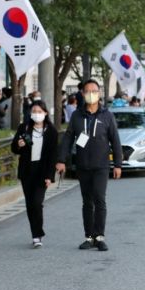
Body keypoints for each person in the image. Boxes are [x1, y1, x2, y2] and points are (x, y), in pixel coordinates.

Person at [56, 79, 123, 252]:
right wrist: (61, 160)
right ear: (83, 94)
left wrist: (117, 164)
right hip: (83, 165)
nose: (91, 94)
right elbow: (68, 138)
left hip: (101, 166)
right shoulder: (77, 116)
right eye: (87, 91)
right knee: (87, 202)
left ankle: (100, 236)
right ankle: (89, 236)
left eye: (94, 90)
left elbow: (115, 141)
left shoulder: (107, 115)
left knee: (99, 199)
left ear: (99, 93)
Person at [11, 100, 58, 248]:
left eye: (39, 111)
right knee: (30, 204)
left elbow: (52, 156)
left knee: (37, 203)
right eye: (34, 112)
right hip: (27, 170)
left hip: (42, 171)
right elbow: (14, 148)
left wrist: (50, 176)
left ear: (45, 113)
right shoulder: (24, 128)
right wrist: (18, 146)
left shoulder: (51, 131)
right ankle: (35, 234)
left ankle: (38, 234)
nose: (36, 114)